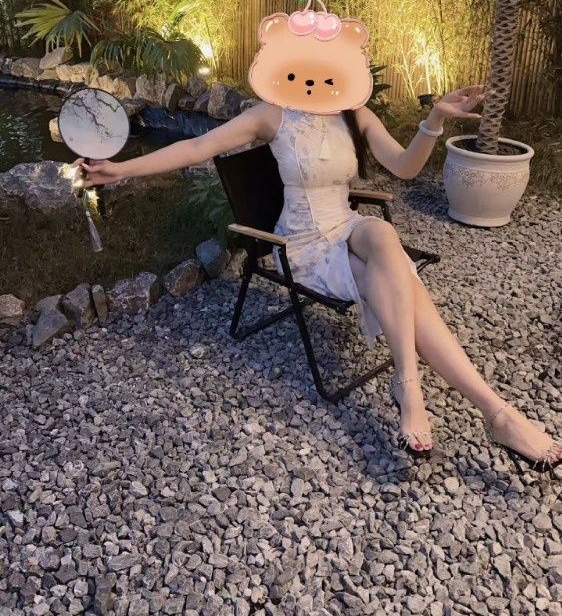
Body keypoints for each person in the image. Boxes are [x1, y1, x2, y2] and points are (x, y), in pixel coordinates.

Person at [74, 89, 561, 473]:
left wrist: (433, 119)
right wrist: (120, 170)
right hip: (303, 245)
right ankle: (496, 413)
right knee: (403, 284)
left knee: (383, 235)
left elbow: (405, 166)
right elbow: (198, 146)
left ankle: (412, 385)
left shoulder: (354, 112)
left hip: (347, 225)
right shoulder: (273, 115)